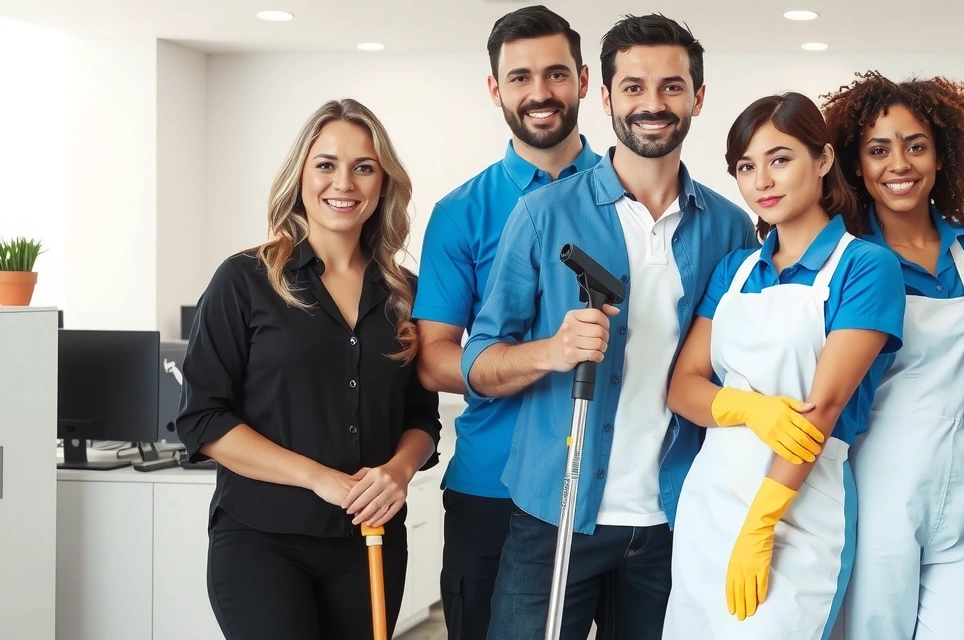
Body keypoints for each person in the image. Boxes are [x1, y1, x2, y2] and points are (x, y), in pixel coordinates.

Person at [461, 13, 757, 640]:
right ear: (605, 97)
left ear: (698, 99)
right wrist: (552, 350)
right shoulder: (542, 215)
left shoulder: (730, 228)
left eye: (672, 87)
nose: (653, 104)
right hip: (554, 519)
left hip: (676, 521)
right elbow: (479, 362)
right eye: (634, 87)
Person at [176, 98, 441, 640]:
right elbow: (203, 419)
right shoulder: (243, 280)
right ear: (300, 175)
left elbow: (422, 419)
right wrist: (320, 479)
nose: (343, 182)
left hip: (370, 538)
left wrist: (399, 471)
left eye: (363, 167)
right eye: (326, 164)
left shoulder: (405, 294)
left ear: (383, 183)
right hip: (261, 542)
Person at [661, 92, 907, 640]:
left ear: (822, 161)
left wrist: (762, 523)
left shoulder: (865, 267)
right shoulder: (736, 269)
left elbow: (824, 408)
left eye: (780, 159)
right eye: (746, 167)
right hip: (712, 501)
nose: (762, 181)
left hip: (799, 505)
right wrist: (750, 409)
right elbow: (682, 387)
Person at [410, 7, 599, 638]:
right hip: (493, 487)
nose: (540, 92)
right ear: (495, 88)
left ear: (583, 79)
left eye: (556, 74)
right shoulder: (461, 212)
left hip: (607, 489)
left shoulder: (627, 194)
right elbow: (434, 357)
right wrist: (540, 358)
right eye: (519, 77)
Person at [819, 71, 964, 639]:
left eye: (915, 146)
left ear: (942, 157)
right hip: (874, 497)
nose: (898, 164)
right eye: (878, 150)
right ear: (855, 164)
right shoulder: (845, 260)